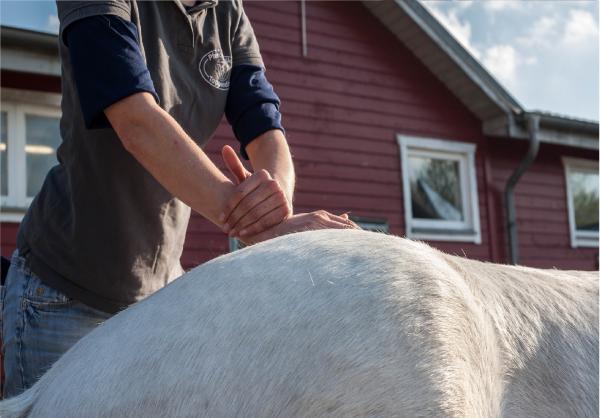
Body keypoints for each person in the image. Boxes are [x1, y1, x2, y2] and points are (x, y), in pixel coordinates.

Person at [1, 0, 356, 398]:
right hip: (63, 291)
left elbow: (262, 118)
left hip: (159, 297)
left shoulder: (227, 11)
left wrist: (274, 203)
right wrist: (252, 221)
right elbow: (134, 118)